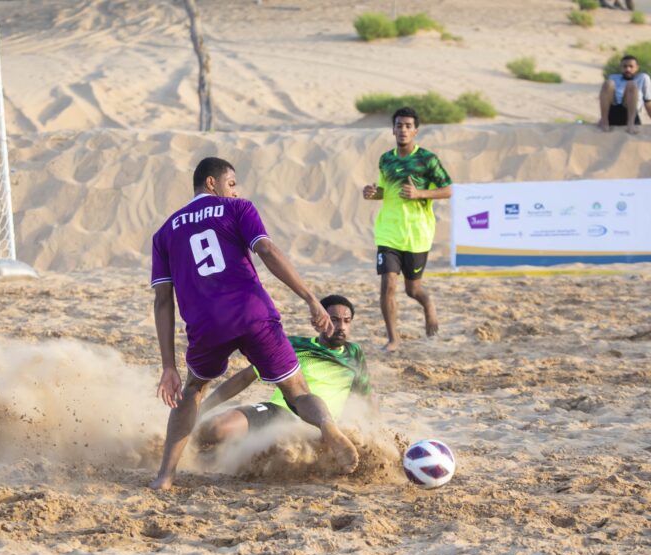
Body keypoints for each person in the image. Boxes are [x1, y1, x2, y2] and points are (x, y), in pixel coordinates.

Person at [149, 157, 358, 490]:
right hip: (253, 313)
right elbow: (268, 251)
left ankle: (165, 476)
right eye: (231, 183)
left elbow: (163, 301)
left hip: (206, 324)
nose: (235, 191)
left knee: (192, 391)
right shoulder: (238, 208)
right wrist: (309, 297)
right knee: (297, 391)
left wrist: (168, 366)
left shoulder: (164, 232)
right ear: (211, 183)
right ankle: (327, 427)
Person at [195, 294, 373, 450]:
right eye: (334, 320)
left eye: (347, 321)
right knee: (213, 428)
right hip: (278, 411)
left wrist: (374, 430)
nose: (341, 326)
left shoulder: (354, 354)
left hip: (323, 427)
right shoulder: (294, 346)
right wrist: (204, 407)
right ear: (319, 322)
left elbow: (365, 398)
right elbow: (245, 377)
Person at [362, 106, 451, 351]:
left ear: (415, 131)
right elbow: (385, 191)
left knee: (413, 289)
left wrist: (419, 193)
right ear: (393, 130)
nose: (403, 129)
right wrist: (372, 193)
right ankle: (393, 339)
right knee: (388, 284)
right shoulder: (386, 159)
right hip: (388, 233)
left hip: (417, 235)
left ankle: (428, 304)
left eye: (408, 126)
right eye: (399, 125)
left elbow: (448, 190)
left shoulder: (427, 159)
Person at [598, 55, 651, 135]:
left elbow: (648, 102)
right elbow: (605, 97)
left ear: (637, 68)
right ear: (620, 68)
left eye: (631, 66)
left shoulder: (643, 78)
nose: (628, 69)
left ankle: (630, 125)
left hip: (630, 113)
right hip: (613, 112)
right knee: (608, 83)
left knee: (631, 84)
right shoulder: (613, 77)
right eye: (625, 66)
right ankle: (604, 122)